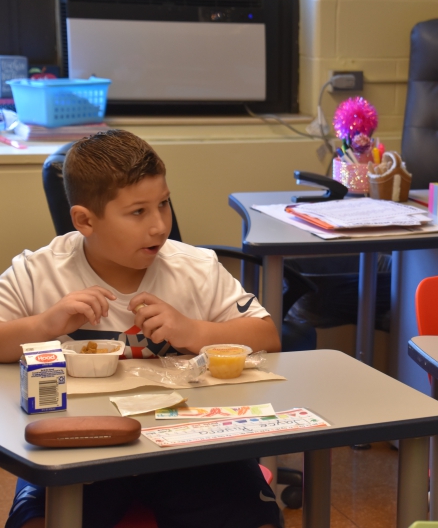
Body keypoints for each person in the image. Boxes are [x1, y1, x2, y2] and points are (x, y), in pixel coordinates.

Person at [0, 130, 282, 528]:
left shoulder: (194, 267)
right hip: (80, 448)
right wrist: (45, 325)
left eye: (164, 204)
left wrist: (194, 332)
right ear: (84, 220)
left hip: (190, 447)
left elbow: (266, 335)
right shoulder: (37, 272)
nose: (159, 226)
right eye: (138, 212)